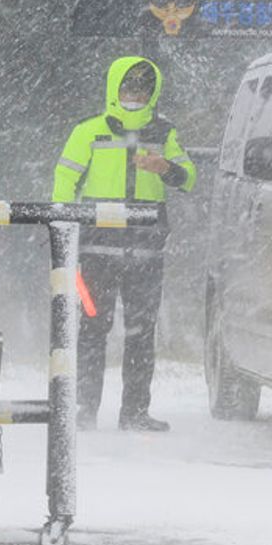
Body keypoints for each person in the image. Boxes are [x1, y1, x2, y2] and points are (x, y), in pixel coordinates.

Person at [53, 56, 196, 432]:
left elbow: (189, 178)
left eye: (142, 90)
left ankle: (134, 412)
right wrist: (64, 228)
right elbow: (64, 181)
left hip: (146, 252)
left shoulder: (164, 134)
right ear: (114, 90)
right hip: (96, 251)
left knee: (141, 334)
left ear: (154, 93)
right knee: (91, 329)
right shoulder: (88, 131)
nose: (135, 96)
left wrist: (166, 168)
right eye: (128, 88)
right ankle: (84, 411)